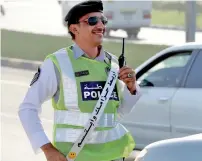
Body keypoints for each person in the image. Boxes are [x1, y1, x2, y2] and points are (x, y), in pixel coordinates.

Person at [18, 1, 141, 161]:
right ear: (74, 28)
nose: (100, 25)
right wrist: (47, 149)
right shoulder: (58, 62)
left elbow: (116, 114)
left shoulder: (113, 64)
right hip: (75, 157)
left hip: (114, 156)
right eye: (92, 21)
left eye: (103, 20)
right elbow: (27, 108)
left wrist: (132, 89)